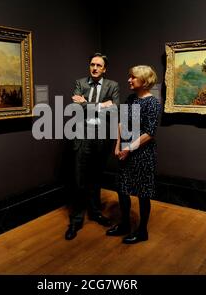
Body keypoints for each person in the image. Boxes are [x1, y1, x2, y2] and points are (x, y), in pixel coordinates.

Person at [65, 53, 120, 240]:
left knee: (96, 178)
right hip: (82, 137)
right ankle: (76, 219)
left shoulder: (112, 85)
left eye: (99, 65)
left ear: (105, 69)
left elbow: (114, 109)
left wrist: (87, 103)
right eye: (92, 64)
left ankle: (95, 212)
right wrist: (101, 105)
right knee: (79, 178)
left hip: (102, 139)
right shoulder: (80, 83)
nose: (95, 68)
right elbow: (76, 108)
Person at [106, 65, 162, 244]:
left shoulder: (153, 103)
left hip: (142, 155)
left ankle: (142, 231)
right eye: (129, 76)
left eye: (133, 77)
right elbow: (121, 122)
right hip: (125, 152)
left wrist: (128, 148)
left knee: (142, 192)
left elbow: (149, 132)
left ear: (144, 81)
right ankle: (124, 225)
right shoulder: (130, 98)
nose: (129, 80)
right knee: (123, 189)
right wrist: (117, 145)